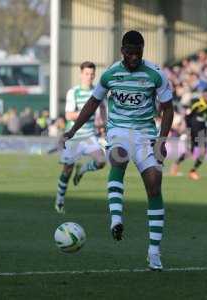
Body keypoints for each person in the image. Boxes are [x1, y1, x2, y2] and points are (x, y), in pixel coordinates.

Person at [59, 31, 174, 271]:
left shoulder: (155, 74)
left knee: (155, 181)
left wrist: (162, 138)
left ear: (142, 50)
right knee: (118, 157)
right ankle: (116, 219)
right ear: (122, 51)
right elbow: (92, 103)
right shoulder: (111, 74)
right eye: (130, 53)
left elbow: (167, 108)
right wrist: (72, 130)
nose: (134, 57)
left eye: (138, 53)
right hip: (118, 130)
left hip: (145, 135)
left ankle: (153, 252)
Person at [55, 61, 107, 214]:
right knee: (67, 170)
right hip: (74, 136)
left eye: (92, 74)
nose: (89, 77)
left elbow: (103, 108)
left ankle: (83, 169)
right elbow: (69, 115)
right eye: (86, 74)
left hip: (90, 135)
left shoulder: (98, 91)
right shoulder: (74, 92)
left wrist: (104, 123)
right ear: (81, 74)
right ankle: (59, 201)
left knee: (101, 161)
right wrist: (86, 112)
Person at [169, 89, 207, 180]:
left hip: (202, 131)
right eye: (204, 95)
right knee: (189, 153)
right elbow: (187, 117)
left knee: (203, 152)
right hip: (192, 130)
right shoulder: (196, 104)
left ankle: (193, 171)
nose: (206, 97)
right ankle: (176, 164)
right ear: (202, 95)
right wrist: (188, 130)